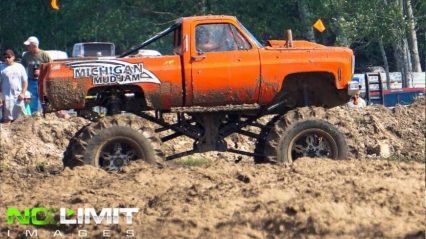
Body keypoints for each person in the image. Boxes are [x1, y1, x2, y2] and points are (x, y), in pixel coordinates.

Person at [21, 36, 52, 113]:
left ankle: (47, 114)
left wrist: (41, 71)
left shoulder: (44, 55)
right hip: (31, 81)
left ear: (34, 45)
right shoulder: (26, 55)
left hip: (43, 81)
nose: (27, 47)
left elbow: (52, 66)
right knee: (32, 100)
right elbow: (21, 68)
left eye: (29, 45)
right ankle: (33, 116)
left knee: (45, 99)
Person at [0, 49, 28, 123]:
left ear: (13, 57)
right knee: (7, 119)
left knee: (21, 119)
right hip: (6, 97)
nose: (7, 59)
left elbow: (25, 81)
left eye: (9, 57)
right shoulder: (1, 67)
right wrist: (0, 96)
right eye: (5, 57)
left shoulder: (20, 67)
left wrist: (23, 93)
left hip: (18, 96)